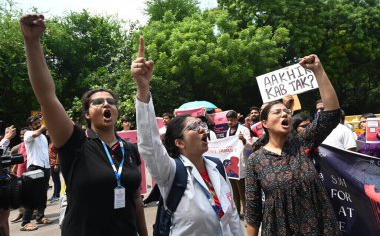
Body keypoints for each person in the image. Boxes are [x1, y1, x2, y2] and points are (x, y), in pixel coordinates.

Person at [20, 14, 147, 236]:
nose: (106, 104)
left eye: (111, 101)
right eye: (98, 102)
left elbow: (135, 199)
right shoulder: (75, 142)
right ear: (87, 114)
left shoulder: (130, 150)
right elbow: (46, 96)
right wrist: (32, 42)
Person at [132, 36, 243, 235]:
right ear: (179, 142)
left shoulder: (217, 166)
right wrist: (143, 88)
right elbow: (149, 145)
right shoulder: (171, 172)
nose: (203, 129)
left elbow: (232, 216)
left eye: (202, 125)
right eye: (194, 127)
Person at [245, 54, 342, 236]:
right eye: (277, 112)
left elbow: (331, 115)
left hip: (320, 228)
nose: (285, 114)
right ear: (264, 123)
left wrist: (318, 70)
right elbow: (252, 211)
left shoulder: (302, 143)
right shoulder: (255, 160)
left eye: (287, 111)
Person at [20, 116, 51, 231]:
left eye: (39, 122)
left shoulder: (43, 136)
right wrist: (42, 128)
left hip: (45, 167)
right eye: (35, 123)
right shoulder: (28, 133)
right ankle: (25, 222)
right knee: (32, 194)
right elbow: (35, 134)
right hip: (34, 167)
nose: (38, 124)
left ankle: (40, 216)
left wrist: (48, 167)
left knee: (42, 193)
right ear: (30, 126)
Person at [226, 110, 252, 219]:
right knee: (234, 191)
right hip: (231, 164)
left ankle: (246, 213)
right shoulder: (228, 131)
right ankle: (237, 212)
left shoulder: (244, 130)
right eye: (228, 120)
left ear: (236, 119)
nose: (229, 122)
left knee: (242, 191)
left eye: (231, 120)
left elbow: (250, 146)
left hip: (240, 164)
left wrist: (244, 140)